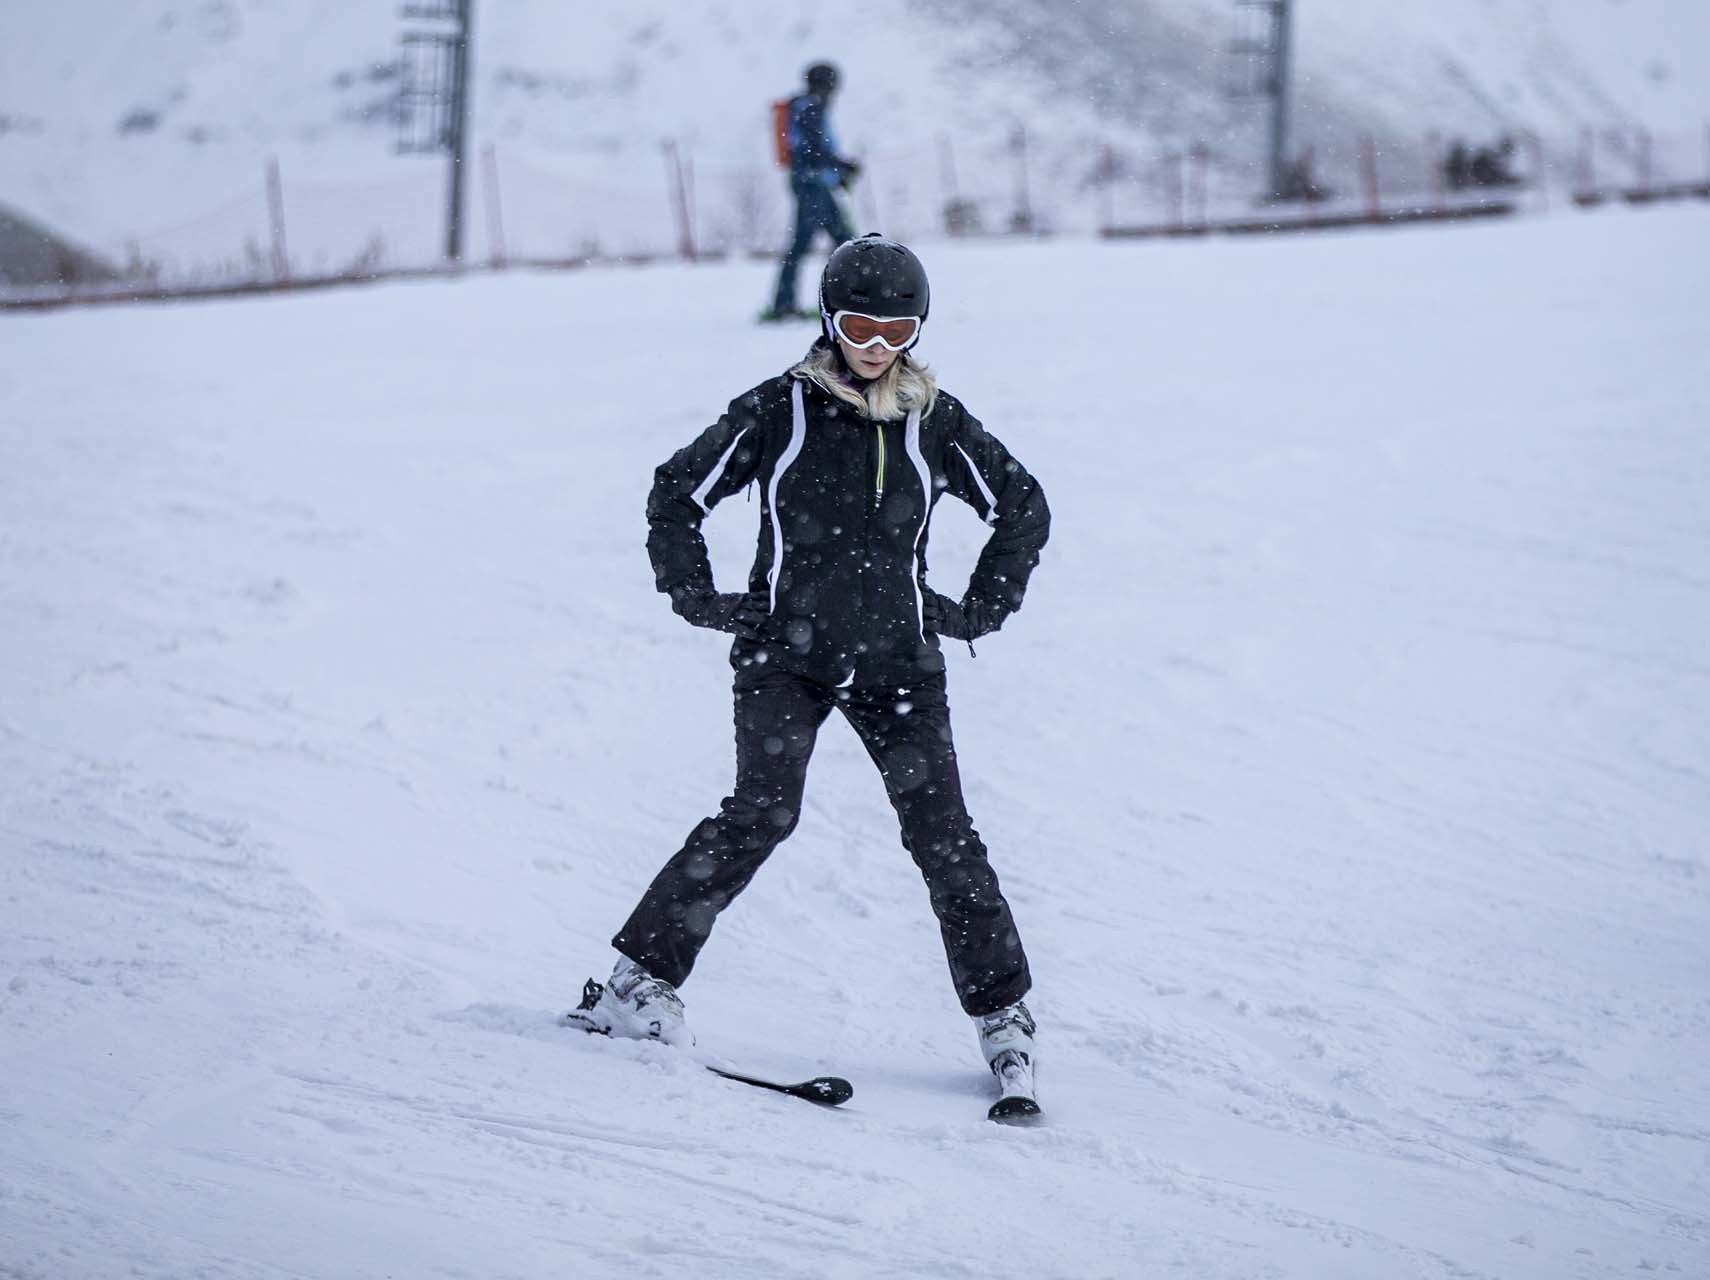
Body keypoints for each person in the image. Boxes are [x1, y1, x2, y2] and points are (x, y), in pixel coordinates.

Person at [571, 234, 1051, 1108]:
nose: (876, 345)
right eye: (860, 324)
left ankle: (1004, 1016)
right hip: (785, 657)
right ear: (829, 321)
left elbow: (1023, 509)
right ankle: (636, 983)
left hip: (899, 665)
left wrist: (979, 610)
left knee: (945, 840)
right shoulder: (778, 412)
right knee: (763, 810)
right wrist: (696, 595)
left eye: (896, 328)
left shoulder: (933, 420)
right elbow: (676, 491)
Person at [762, 62, 861, 322]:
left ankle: (841, 301)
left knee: (837, 242)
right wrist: (842, 166)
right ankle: (841, 301)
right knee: (836, 242)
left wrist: (836, 173)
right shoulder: (810, 109)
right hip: (811, 185)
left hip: (812, 183)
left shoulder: (803, 107)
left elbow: (812, 151)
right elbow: (813, 151)